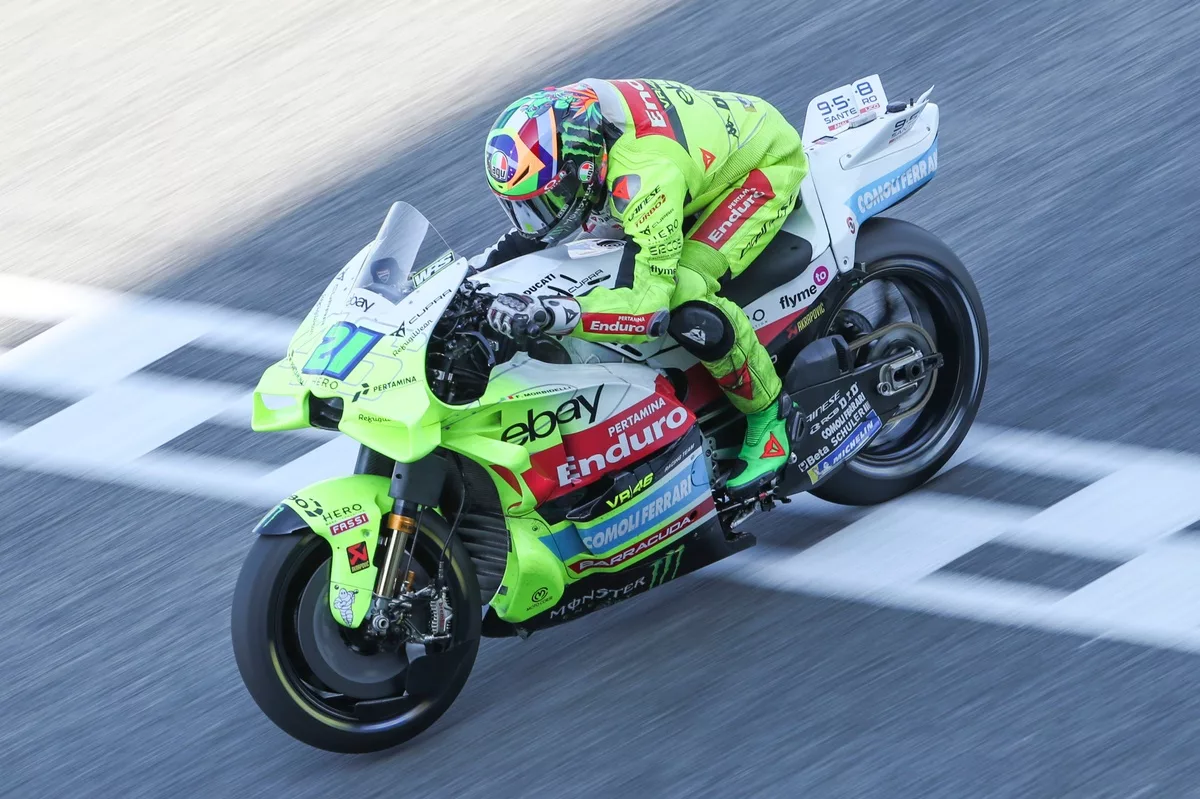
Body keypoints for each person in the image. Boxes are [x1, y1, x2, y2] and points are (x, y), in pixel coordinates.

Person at [480, 79, 808, 498]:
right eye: (523, 207)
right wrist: (475, 274)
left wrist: (553, 312)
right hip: (694, 161)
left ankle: (771, 417)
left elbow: (647, 310)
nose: (535, 217)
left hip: (761, 170)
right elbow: (536, 232)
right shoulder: (573, 118)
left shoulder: (644, 179)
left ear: (583, 170)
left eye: (545, 202)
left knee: (685, 294)